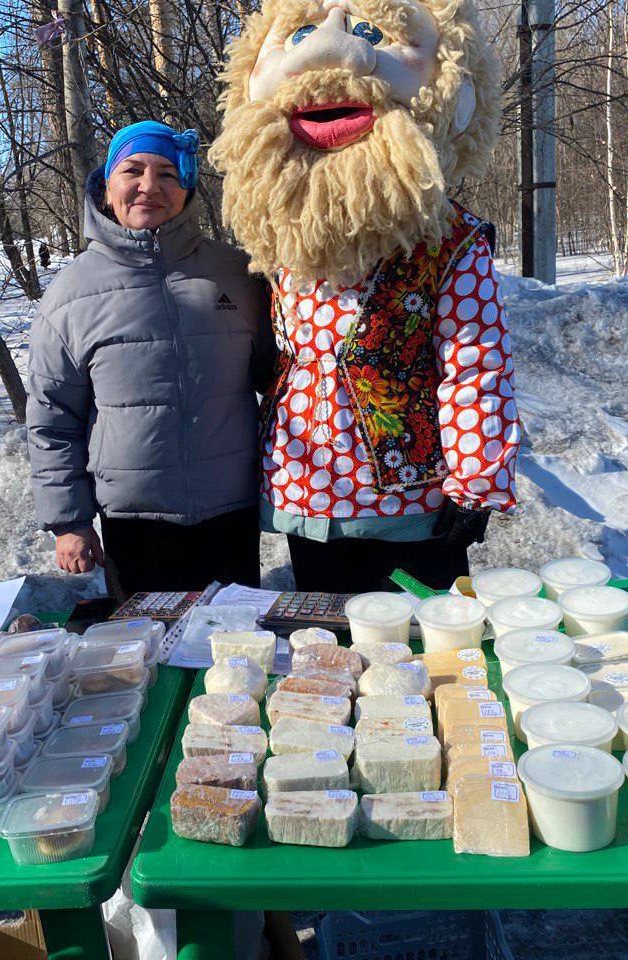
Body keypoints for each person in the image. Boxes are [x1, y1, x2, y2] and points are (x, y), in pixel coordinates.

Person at [210, 0, 519, 593]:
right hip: (309, 493)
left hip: (411, 505)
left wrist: (475, 482)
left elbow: (475, 367)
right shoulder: (281, 237)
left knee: (422, 657)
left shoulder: (448, 242)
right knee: (327, 658)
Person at [27, 121, 273, 595]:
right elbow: (52, 419)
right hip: (134, 523)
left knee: (234, 654)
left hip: (230, 515)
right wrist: (69, 522)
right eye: (133, 170)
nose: (149, 187)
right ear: (107, 186)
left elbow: (277, 376)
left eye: (167, 173)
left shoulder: (237, 274)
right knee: (147, 658)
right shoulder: (71, 294)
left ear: (186, 188)